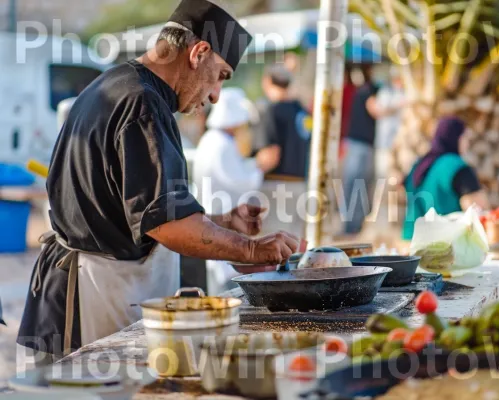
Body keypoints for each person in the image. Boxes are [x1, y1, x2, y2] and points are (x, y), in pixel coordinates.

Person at [17, 0, 299, 369]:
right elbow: (166, 225)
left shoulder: (117, 83)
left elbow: (139, 210)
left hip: (86, 293)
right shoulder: (142, 103)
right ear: (199, 53)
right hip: (90, 302)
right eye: (221, 76)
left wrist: (222, 222)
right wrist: (249, 250)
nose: (215, 95)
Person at [194, 87, 265, 294]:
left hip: (217, 218)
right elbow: (237, 180)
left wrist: (253, 165)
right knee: (225, 279)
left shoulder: (215, 141)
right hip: (221, 218)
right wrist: (260, 167)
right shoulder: (220, 144)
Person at [402, 117, 490, 240]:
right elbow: (477, 209)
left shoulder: (419, 167)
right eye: (464, 137)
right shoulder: (456, 166)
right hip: (446, 246)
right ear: (455, 137)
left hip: (411, 242)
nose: (467, 143)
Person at [342, 65, 400, 235]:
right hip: (359, 145)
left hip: (362, 145)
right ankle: (352, 226)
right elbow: (376, 110)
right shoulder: (369, 91)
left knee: (359, 185)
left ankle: (354, 225)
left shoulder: (368, 89)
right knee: (356, 185)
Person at [255, 65, 312, 178]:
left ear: (267, 81)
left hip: (276, 182)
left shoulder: (270, 110)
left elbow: (270, 154)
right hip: (301, 181)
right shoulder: (302, 111)